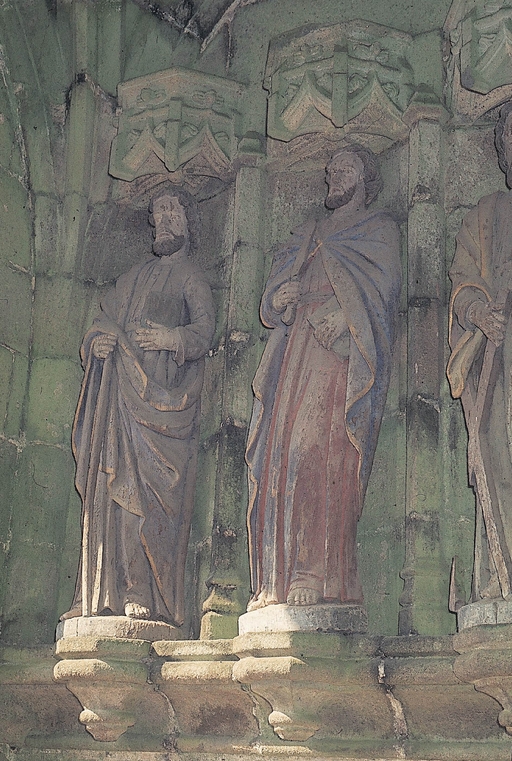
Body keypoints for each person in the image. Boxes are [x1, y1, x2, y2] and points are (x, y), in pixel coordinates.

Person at [245, 145, 401, 610]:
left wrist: (343, 315)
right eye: (331, 169)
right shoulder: (308, 231)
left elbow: (383, 293)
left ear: (366, 178)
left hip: (337, 356)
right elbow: (271, 300)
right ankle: (275, 577)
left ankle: (318, 573)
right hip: (295, 351)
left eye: (346, 168)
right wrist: (278, 299)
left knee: (315, 453)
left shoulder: (378, 230)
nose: (334, 175)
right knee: (278, 458)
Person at [62, 186, 215, 625]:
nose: (164, 219)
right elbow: (101, 322)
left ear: (188, 221)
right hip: (120, 399)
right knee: (109, 495)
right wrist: (98, 342)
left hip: (162, 406)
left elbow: (204, 332)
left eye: (172, 211)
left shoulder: (191, 277)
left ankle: (142, 590)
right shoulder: (132, 277)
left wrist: (170, 338)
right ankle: (99, 592)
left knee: (147, 504)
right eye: (158, 213)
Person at [448, 101, 512, 601]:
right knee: (499, 457)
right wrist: (478, 314)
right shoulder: (486, 214)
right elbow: (463, 281)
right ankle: (499, 573)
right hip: (502, 357)